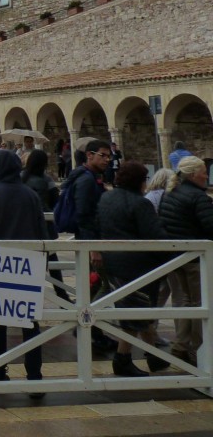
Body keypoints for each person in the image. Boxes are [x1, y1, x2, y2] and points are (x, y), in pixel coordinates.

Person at [0, 149, 48, 393]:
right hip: (27, 266)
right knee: (29, 322)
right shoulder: (31, 195)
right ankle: (35, 376)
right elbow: (42, 233)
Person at [96, 160, 171, 376]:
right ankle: (122, 359)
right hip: (137, 267)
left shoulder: (107, 197)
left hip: (112, 263)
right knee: (135, 313)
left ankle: (155, 357)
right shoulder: (140, 204)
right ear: (140, 181)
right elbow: (155, 236)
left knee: (139, 311)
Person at [157, 155, 213, 367]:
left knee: (183, 301)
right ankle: (198, 348)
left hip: (175, 255)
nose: (206, 175)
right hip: (195, 257)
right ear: (193, 174)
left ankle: (181, 344)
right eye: (203, 171)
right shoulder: (198, 197)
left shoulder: (171, 193)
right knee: (200, 303)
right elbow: (210, 225)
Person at [63, 138, 116, 352]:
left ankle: (93, 332)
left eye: (109, 156)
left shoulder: (91, 178)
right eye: (103, 155)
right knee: (103, 286)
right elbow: (84, 216)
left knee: (94, 286)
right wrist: (92, 247)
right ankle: (86, 327)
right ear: (89, 155)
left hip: (91, 240)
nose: (107, 159)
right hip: (89, 242)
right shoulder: (86, 181)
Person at [21, 148, 68, 301]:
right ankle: (62, 296)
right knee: (52, 261)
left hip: (25, 227)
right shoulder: (46, 180)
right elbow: (55, 202)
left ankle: (29, 297)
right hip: (45, 227)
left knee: (30, 264)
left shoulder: (21, 178)